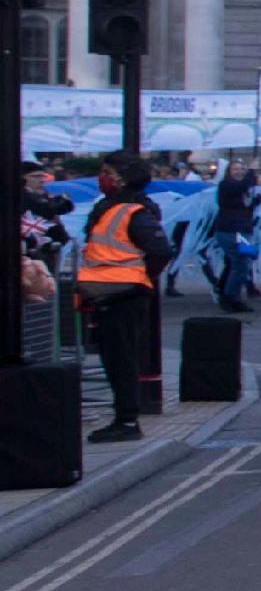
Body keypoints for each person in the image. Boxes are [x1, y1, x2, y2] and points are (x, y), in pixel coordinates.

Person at [75, 153, 172, 445]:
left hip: (124, 295)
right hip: (108, 294)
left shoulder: (134, 211)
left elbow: (160, 251)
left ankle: (127, 420)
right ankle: (124, 417)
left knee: (122, 358)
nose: (102, 178)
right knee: (115, 358)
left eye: (107, 172)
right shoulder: (111, 207)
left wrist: (139, 278)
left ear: (123, 177)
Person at [208, 157, 260, 313]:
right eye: (236, 169)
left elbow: (245, 209)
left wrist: (258, 200)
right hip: (230, 230)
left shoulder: (241, 190)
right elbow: (241, 187)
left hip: (242, 229)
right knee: (241, 263)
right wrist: (252, 170)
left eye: (242, 169)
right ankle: (230, 297)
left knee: (238, 262)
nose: (240, 171)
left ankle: (229, 294)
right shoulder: (226, 185)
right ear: (229, 172)